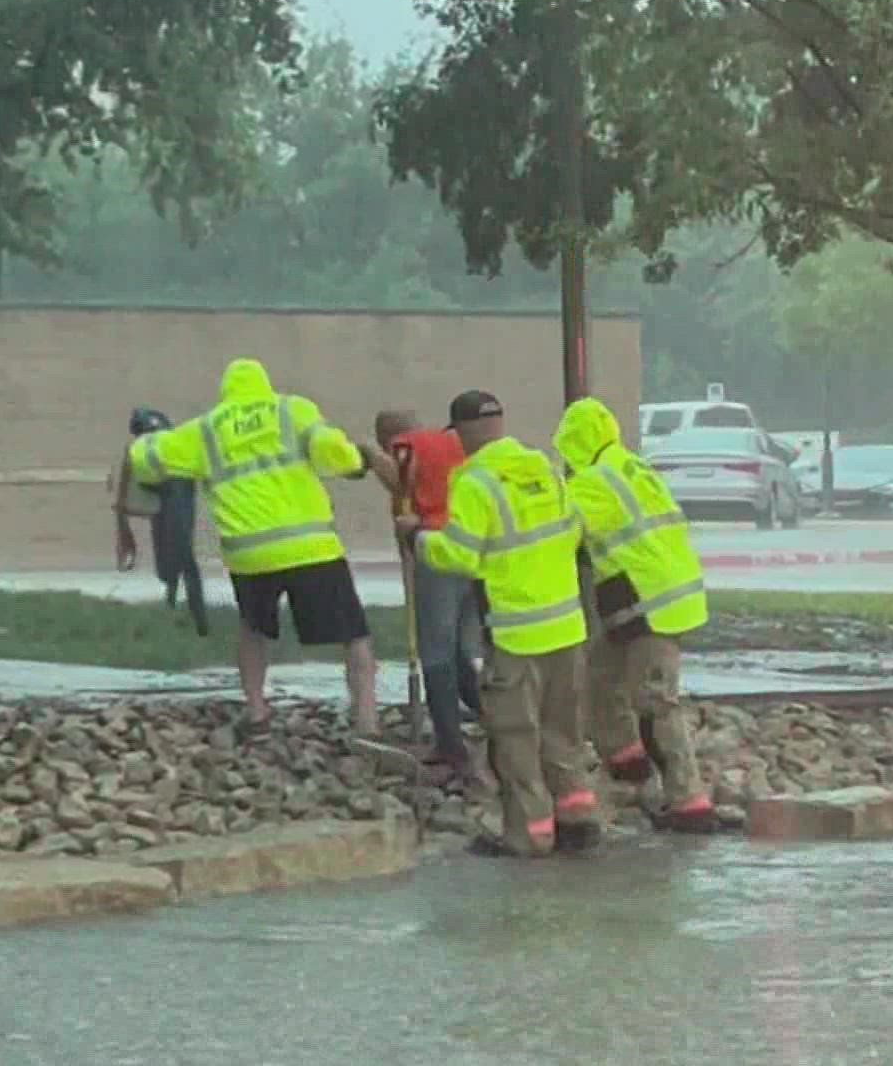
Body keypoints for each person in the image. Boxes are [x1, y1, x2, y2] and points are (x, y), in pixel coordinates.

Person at [116, 358, 379, 735]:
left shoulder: (207, 430)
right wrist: (358, 460)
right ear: (265, 385)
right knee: (354, 635)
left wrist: (142, 445)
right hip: (312, 548)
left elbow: (145, 457)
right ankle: (366, 720)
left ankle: (257, 711)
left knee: (253, 629)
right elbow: (332, 450)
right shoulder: (293, 410)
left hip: (250, 554)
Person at [397, 390, 601, 856]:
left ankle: (529, 834)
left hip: (517, 633)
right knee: (562, 733)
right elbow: (573, 531)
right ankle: (577, 818)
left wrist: (419, 538)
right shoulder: (545, 471)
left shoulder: (475, 483)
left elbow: (461, 557)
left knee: (515, 736)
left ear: (461, 434)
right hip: (567, 628)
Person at [554, 396, 719, 833]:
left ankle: (689, 802)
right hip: (655, 598)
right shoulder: (632, 466)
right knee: (598, 676)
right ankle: (629, 762)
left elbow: (558, 532)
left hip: (648, 603)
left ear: (573, 443)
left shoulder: (592, 481)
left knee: (655, 704)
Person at [362, 409, 484, 773]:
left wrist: (370, 456)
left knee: (436, 651)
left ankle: (450, 745)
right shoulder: (452, 444)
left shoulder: (406, 446)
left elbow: (401, 482)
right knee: (465, 650)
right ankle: (500, 721)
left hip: (437, 551)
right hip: (470, 549)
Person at [126, 407, 209, 633]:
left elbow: (137, 484)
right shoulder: (173, 439)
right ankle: (194, 616)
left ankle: (191, 613)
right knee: (183, 553)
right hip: (181, 487)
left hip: (163, 490)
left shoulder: (140, 447)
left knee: (170, 552)